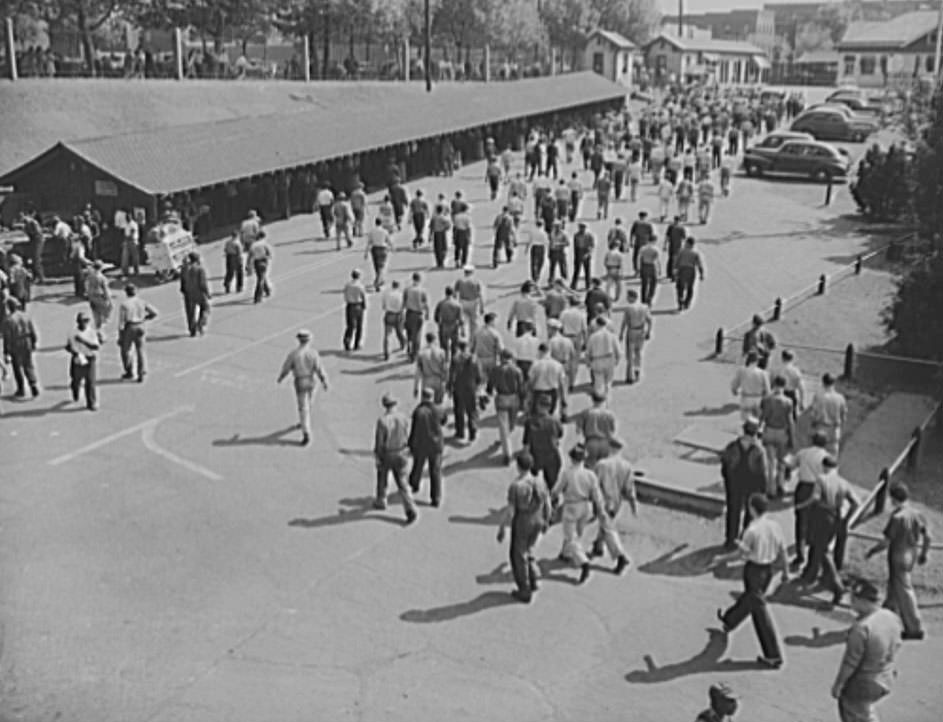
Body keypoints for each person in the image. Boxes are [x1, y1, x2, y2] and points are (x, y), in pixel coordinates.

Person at [713, 493, 789, 669]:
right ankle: (730, 620)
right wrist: (786, 571)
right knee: (752, 599)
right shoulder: (775, 526)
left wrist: (721, 559)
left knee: (759, 610)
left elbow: (740, 554)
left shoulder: (752, 530)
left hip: (753, 570)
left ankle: (773, 655)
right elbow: (783, 550)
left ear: (751, 508)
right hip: (768, 570)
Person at [865, 482, 931, 640]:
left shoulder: (896, 517)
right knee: (895, 587)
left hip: (898, 554)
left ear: (893, 499)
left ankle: (915, 628)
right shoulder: (917, 514)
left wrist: (872, 551)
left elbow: (886, 542)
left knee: (904, 589)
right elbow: (928, 536)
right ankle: (887, 616)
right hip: (912, 552)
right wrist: (924, 553)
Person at [831, 579, 902, 722]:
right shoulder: (891, 617)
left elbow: (850, 663)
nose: (850, 602)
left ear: (860, 600)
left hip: (863, 683)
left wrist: (838, 685)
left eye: (853, 599)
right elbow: (897, 644)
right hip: (886, 677)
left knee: (853, 712)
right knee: (865, 711)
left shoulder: (861, 628)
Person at [798, 455, 859, 606]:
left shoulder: (821, 479)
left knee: (823, 550)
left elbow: (815, 498)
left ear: (824, 467)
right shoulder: (843, 482)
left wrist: (802, 505)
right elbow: (856, 503)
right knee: (820, 548)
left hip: (822, 516)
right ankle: (811, 574)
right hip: (836, 516)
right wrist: (846, 519)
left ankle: (837, 586)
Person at [496, 451, 552, 603]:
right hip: (538, 518)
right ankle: (534, 578)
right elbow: (547, 502)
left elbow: (511, 511)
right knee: (530, 548)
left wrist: (502, 527)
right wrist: (547, 519)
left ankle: (524, 589)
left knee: (518, 555)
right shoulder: (540, 482)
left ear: (518, 467)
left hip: (523, 521)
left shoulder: (516, 486)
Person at [551, 445, 604, 584]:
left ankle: (583, 562)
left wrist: (553, 498)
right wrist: (599, 508)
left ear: (571, 458)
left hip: (571, 505)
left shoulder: (567, 473)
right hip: (586, 506)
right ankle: (566, 554)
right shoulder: (590, 474)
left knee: (570, 536)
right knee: (579, 533)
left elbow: (557, 489)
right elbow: (597, 494)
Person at [588, 439, 636, 574]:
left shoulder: (601, 464)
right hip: (617, 501)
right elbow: (629, 487)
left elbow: (594, 485)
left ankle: (620, 556)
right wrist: (633, 502)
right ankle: (598, 546)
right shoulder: (626, 465)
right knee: (606, 524)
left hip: (603, 500)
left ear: (609, 447)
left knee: (608, 528)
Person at [720, 419, 768, 549]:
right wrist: (764, 489)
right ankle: (745, 539)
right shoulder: (759, 450)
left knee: (733, 511)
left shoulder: (732, 446)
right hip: (752, 484)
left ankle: (730, 539)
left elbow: (724, 464)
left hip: (734, 483)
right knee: (750, 513)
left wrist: (727, 479)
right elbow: (763, 471)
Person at [277, 329, 329, 446]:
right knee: (309, 403)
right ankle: (304, 423)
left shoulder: (294, 354)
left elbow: (287, 367)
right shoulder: (313, 353)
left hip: (300, 380)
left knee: (302, 407)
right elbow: (319, 368)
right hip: (310, 380)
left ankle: (306, 431)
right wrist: (324, 380)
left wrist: (281, 377)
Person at [373, 393, 418, 524]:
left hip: (388, 453)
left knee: (382, 476)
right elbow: (406, 433)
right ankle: (410, 507)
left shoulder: (382, 421)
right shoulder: (403, 418)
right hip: (402, 452)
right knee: (402, 482)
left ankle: (381, 499)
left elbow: (379, 442)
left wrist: (378, 455)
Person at [792, 432, 830, 567]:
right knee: (815, 521)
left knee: (800, 522)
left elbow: (792, 465)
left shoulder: (803, 453)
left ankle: (800, 554)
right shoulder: (826, 456)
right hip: (818, 488)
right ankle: (811, 555)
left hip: (803, 487)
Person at [408, 387, 445, 506]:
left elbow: (414, 430)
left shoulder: (418, 411)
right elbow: (444, 420)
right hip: (436, 444)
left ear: (422, 397)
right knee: (435, 471)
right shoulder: (438, 409)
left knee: (418, 466)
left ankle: (414, 485)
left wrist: (411, 444)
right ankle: (436, 498)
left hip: (422, 444)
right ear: (432, 397)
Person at [759, 376, 796, 498]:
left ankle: (771, 489)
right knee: (782, 462)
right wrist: (792, 437)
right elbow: (790, 421)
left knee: (770, 463)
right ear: (784, 386)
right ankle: (781, 485)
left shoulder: (767, 400)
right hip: (782, 433)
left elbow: (762, 417)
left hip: (769, 430)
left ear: (774, 384)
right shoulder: (788, 402)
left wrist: (758, 429)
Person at [117, 284, 157, 382]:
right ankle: (141, 372)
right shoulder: (142, 302)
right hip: (141, 325)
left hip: (130, 326)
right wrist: (145, 318)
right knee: (140, 350)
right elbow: (154, 313)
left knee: (125, 350)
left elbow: (121, 322)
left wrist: (120, 336)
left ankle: (129, 371)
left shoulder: (124, 304)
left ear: (126, 292)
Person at [2, 299, 39, 399]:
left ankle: (21, 389)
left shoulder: (8, 320)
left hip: (16, 344)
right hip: (27, 342)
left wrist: (6, 351)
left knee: (17, 367)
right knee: (29, 364)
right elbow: (32, 330)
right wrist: (34, 342)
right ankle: (33, 383)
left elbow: (7, 337)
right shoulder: (26, 316)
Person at [65, 311, 100, 410]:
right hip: (77, 358)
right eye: (82, 321)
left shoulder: (91, 332)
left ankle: (91, 403)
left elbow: (96, 346)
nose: (84, 323)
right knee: (76, 379)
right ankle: (75, 390)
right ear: (78, 322)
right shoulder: (72, 332)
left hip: (89, 358)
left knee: (90, 381)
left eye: (86, 321)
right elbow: (67, 346)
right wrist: (73, 351)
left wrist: (82, 340)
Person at [449, 339, 481, 442]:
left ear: (458, 347)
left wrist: (450, 386)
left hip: (459, 387)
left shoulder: (455, 359)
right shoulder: (474, 359)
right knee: (472, 410)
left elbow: (452, 374)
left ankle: (460, 432)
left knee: (459, 411)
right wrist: (477, 384)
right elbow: (478, 374)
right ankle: (473, 430)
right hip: (471, 387)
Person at [809, 373, 847, 458]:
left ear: (823, 383)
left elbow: (813, 414)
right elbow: (844, 417)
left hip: (821, 429)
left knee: (818, 456)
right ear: (834, 383)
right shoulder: (840, 398)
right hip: (834, 430)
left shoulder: (818, 396)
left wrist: (813, 424)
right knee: (832, 457)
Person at [619, 289, 652, 384]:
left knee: (630, 354)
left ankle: (630, 376)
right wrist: (649, 331)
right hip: (641, 330)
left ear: (631, 297)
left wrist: (621, 333)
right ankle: (638, 370)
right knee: (639, 352)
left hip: (632, 331)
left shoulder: (629, 308)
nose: (627, 299)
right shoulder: (644, 307)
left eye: (628, 297)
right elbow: (650, 320)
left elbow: (624, 322)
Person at [577, 392, 616, 468]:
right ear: (603, 401)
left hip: (590, 442)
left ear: (592, 400)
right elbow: (613, 430)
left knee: (590, 467)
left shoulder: (586, 413)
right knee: (604, 468)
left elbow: (578, 430)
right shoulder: (610, 414)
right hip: (605, 443)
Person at [586, 315, 620, 398]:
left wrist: (588, 363)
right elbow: (617, 350)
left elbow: (588, 352)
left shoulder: (593, 337)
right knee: (608, 382)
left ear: (597, 324)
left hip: (597, 360)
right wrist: (617, 360)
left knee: (598, 383)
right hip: (609, 359)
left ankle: (599, 401)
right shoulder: (612, 335)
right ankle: (607, 399)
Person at [731, 352, 770, 421]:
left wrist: (734, 391)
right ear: (756, 361)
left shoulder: (741, 370)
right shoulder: (763, 373)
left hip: (746, 398)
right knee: (756, 420)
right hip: (758, 398)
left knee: (745, 420)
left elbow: (735, 384)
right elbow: (767, 390)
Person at [180, 252, 210, 337]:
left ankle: (192, 330)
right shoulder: (200, 269)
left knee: (190, 312)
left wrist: (184, 290)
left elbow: (182, 280)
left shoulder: (185, 268)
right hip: (199, 292)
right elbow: (202, 283)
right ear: (197, 259)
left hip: (188, 292)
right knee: (206, 308)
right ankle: (201, 323)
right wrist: (207, 293)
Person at [414, 332, 448, 404]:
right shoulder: (441, 352)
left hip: (427, 380)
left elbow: (418, 371)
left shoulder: (421, 353)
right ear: (435, 340)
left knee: (426, 404)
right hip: (438, 379)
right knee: (438, 404)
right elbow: (445, 368)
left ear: (426, 340)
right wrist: (446, 381)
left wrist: (416, 387)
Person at [403, 273, 429, 362]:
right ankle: (414, 354)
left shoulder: (407, 289)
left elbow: (403, 302)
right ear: (420, 279)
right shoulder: (422, 290)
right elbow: (425, 304)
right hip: (418, 314)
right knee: (417, 335)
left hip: (409, 313)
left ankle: (409, 348)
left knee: (409, 333)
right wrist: (427, 313)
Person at [675, 236, 705, 311]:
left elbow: (676, 261)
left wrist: (675, 270)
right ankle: (687, 303)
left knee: (680, 287)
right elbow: (699, 264)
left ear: (687, 243)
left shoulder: (681, 251)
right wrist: (701, 274)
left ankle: (680, 302)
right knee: (690, 288)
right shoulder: (696, 253)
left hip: (682, 270)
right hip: (691, 270)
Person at [454, 265, 485, 339]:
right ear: (472, 272)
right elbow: (480, 295)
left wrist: (456, 303)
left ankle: (463, 332)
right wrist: (482, 306)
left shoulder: (460, 280)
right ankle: (472, 339)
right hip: (474, 303)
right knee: (474, 322)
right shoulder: (476, 281)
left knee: (463, 320)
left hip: (463, 301)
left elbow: (455, 293)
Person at [472, 312, 503, 383]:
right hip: (491, 359)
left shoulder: (477, 331)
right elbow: (500, 349)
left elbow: (472, 346)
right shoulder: (495, 333)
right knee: (491, 381)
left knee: (481, 381)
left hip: (479, 359)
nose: (496, 323)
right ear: (491, 321)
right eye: (496, 321)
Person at [364, 219, 394, 291]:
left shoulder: (372, 231)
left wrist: (366, 252)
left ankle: (380, 280)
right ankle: (377, 282)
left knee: (376, 266)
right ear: (381, 223)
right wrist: (392, 247)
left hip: (375, 249)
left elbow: (369, 242)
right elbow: (388, 240)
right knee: (381, 266)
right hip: (383, 249)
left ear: (375, 223)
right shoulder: (384, 231)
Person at [434, 286, 463, 358]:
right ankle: (453, 362)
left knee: (444, 346)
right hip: (454, 326)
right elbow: (460, 319)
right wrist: (461, 328)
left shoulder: (441, 303)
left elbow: (436, 316)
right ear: (453, 293)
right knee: (454, 346)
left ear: (445, 293)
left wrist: (438, 322)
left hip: (444, 325)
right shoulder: (458, 304)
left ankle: (445, 360)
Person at [380, 279, 406, 361]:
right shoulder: (401, 295)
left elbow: (383, 306)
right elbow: (403, 306)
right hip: (398, 315)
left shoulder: (386, 294)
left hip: (389, 314)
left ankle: (386, 352)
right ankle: (403, 344)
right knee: (400, 332)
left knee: (387, 335)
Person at [342, 269, 367, 352]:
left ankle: (347, 342)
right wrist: (364, 305)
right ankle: (357, 344)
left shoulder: (348, 285)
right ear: (359, 276)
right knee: (359, 326)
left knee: (350, 326)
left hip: (349, 305)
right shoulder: (360, 286)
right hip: (358, 306)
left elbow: (345, 294)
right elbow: (363, 296)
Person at [85, 260, 113, 331]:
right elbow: (105, 289)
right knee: (108, 309)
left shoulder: (90, 276)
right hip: (100, 297)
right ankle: (103, 324)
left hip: (92, 297)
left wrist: (88, 294)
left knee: (96, 314)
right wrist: (109, 299)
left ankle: (98, 329)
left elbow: (86, 285)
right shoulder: (102, 278)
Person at [248, 230, 274, 304]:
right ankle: (257, 297)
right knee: (260, 279)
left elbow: (250, 256)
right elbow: (269, 254)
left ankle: (267, 290)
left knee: (261, 276)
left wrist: (249, 266)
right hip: (263, 261)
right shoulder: (264, 244)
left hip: (256, 262)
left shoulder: (253, 245)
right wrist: (266, 256)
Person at [571, 222, 595, 291]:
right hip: (578, 252)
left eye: (583, 228)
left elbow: (592, 246)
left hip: (586, 252)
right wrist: (576, 256)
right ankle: (573, 285)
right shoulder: (576, 235)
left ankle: (588, 285)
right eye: (580, 228)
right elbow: (575, 246)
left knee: (587, 270)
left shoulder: (589, 235)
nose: (582, 229)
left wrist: (588, 254)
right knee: (576, 270)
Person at [637, 238, 661, 306]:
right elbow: (657, 260)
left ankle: (643, 300)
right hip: (652, 266)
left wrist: (638, 267)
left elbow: (638, 258)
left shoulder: (643, 248)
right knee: (653, 283)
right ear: (654, 241)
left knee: (644, 284)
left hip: (644, 265)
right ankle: (649, 298)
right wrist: (659, 269)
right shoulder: (655, 249)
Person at [429, 203, 452, 268]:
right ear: (442, 210)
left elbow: (431, 227)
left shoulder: (434, 218)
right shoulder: (444, 218)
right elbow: (448, 225)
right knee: (444, 248)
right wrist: (445, 229)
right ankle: (442, 261)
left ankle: (438, 262)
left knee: (437, 249)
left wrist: (430, 236)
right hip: (442, 233)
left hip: (436, 234)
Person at [527, 220, 548, 284]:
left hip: (534, 247)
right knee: (540, 262)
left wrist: (527, 248)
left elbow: (529, 240)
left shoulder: (532, 232)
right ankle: (538, 274)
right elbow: (546, 242)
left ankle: (534, 276)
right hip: (541, 247)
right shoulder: (544, 232)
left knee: (533, 262)